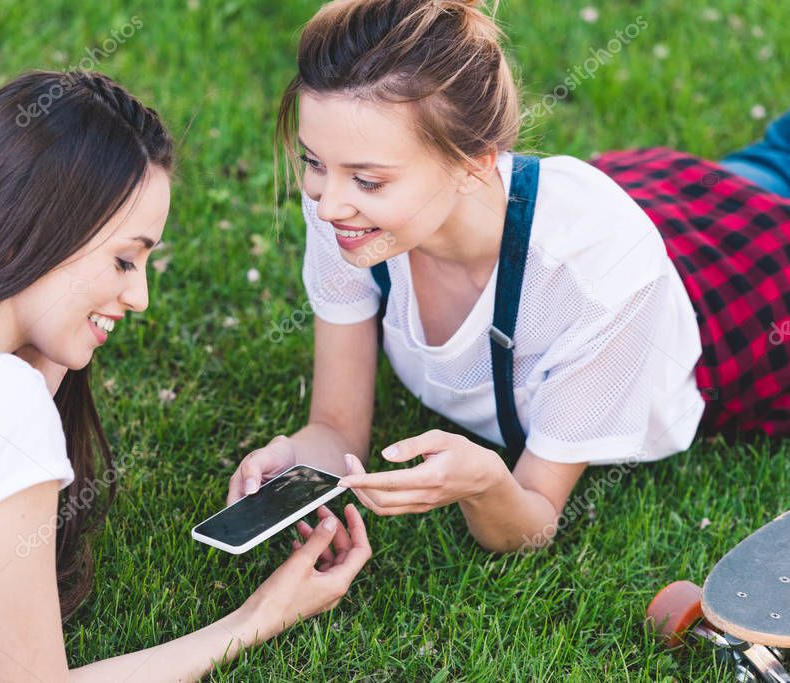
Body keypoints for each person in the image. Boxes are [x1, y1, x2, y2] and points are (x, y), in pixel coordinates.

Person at [0, 70, 370, 682]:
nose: (140, 297)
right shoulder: (4, 409)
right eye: (124, 260)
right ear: (40, 226)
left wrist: (43, 351)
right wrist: (257, 617)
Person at [227, 0, 790, 553]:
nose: (326, 206)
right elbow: (336, 427)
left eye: (368, 181)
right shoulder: (349, 213)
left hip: (734, 288)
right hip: (660, 208)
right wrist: (294, 459)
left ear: (474, 162)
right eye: (313, 162)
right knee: (762, 168)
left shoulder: (596, 278)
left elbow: (534, 520)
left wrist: (485, 482)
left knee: (765, 184)